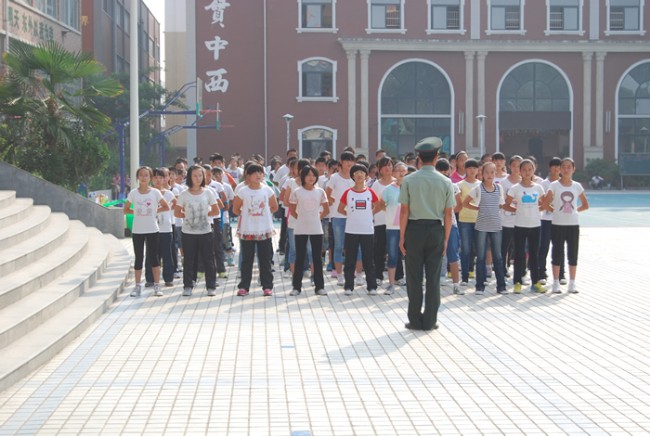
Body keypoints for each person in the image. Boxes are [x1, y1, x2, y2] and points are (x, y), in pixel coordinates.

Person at [399, 137, 455, 331]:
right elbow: (448, 213)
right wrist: (446, 238)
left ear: (419, 158)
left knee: (414, 277)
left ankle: (414, 319)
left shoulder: (408, 180)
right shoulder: (446, 181)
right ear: (437, 156)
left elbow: (404, 211)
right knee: (433, 278)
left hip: (414, 230)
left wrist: (402, 237)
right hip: (435, 230)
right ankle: (430, 320)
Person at [543, 158, 589, 294]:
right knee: (557, 252)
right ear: (560, 169)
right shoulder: (554, 185)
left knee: (572, 253)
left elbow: (585, 205)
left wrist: (574, 210)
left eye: (569, 167)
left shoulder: (577, 186)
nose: (566, 169)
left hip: (573, 225)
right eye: (564, 167)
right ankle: (556, 282)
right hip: (557, 224)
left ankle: (572, 283)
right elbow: (545, 203)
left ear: (573, 169)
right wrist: (556, 210)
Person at [232, 163, 279, 297]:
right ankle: (244, 287)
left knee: (265, 259)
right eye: (255, 173)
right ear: (248, 175)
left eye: (260, 173)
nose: (258, 175)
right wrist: (247, 214)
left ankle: (267, 286)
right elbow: (235, 209)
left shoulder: (267, 190)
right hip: (247, 229)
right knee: (247, 259)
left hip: (264, 229)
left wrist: (263, 214)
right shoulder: (242, 191)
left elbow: (274, 207)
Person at [123, 166, 170, 297]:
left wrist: (154, 211)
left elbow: (166, 206)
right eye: (141, 175)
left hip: (152, 229)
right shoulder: (133, 193)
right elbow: (125, 209)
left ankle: (157, 286)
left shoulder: (155, 192)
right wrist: (137, 212)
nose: (143, 178)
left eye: (146, 175)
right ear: (137, 177)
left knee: (154, 258)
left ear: (150, 178)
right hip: (137, 230)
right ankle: (137, 286)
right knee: (138, 258)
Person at [174, 165, 220, 297]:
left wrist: (206, 213)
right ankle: (188, 285)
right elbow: (177, 212)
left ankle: (211, 286)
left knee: (208, 259)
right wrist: (188, 216)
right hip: (188, 232)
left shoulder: (208, 192)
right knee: (189, 259)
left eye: (200, 175)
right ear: (189, 177)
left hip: (205, 231)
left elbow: (216, 210)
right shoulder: (184, 194)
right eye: (195, 175)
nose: (198, 178)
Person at [463, 162, 507, 296]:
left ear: (495, 174)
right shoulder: (478, 188)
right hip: (481, 226)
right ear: (482, 173)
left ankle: (501, 286)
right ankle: (479, 286)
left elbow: (501, 205)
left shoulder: (499, 188)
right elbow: (465, 203)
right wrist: (477, 208)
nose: (489, 175)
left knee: (498, 257)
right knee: (481, 257)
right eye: (487, 172)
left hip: (496, 226)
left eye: (492, 172)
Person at [504, 159, 546, 294]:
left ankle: (535, 282)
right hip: (520, 225)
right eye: (524, 170)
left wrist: (535, 209)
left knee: (534, 255)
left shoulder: (538, 187)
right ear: (520, 171)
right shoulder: (515, 188)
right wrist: (518, 210)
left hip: (535, 225)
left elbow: (544, 204)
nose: (527, 172)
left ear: (533, 171)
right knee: (519, 254)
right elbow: (506, 205)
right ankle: (517, 282)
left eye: (530, 169)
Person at [338, 164, 380, 296]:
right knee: (350, 259)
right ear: (353, 176)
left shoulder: (370, 192)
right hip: (351, 230)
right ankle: (349, 286)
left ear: (366, 176)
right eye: (356, 173)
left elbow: (378, 206)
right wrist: (350, 216)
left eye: (362, 172)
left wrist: (369, 214)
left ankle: (371, 286)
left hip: (367, 230)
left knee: (368, 260)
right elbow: (340, 209)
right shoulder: (348, 192)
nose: (359, 175)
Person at [289, 165, 330, 296]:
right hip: (300, 229)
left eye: (313, 175)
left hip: (316, 229)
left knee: (317, 258)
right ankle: (296, 287)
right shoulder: (297, 191)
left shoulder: (320, 192)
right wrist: (302, 218)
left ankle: (320, 287)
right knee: (300, 258)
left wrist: (317, 218)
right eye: (308, 175)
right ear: (303, 177)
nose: (311, 178)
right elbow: (292, 209)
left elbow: (326, 209)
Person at [326, 151, 355, 286]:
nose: (349, 163)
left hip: (354, 217)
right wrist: (334, 202)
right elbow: (326, 195)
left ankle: (353, 272)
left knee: (352, 247)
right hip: (338, 216)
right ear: (341, 162)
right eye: (346, 160)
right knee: (339, 246)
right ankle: (339, 274)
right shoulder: (335, 178)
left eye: (351, 160)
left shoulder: (356, 177)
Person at [145, 167, 176, 288]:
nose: (158, 180)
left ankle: (168, 278)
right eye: (155, 177)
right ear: (152, 179)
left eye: (161, 177)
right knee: (151, 254)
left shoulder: (168, 193)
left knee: (167, 253)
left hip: (166, 228)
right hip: (151, 228)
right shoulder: (148, 193)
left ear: (165, 179)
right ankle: (150, 278)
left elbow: (176, 203)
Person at [381, 161, 407, 295]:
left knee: (410, 255)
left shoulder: (410, 187)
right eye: (399, 170)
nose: (402, 173)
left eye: (404, 170)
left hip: (408, 227)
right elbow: (381, 204)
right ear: (394, 173)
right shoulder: (389, 189)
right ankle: (391, 284)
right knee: (392, 255)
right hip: (392, 227)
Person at [455, 159, 480, 286]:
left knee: (479, 249)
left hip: (480, 220)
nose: (472, 170)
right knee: (465, 249)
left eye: (474, 168)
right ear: (465, 169)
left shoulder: (481, 184)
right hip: (464, 220)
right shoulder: (460, 185)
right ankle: (464, 277)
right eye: (469, 168)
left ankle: (479, 277)